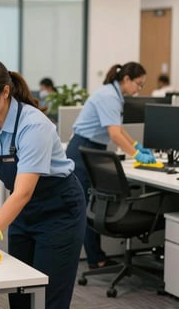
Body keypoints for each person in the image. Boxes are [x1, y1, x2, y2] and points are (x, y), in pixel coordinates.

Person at [0, 58, 86, 309]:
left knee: (48, 296)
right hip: (23, 212)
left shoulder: (34, 126)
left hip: (58, 211)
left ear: (4, 92)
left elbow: (23, 192)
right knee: (20, 291)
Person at [66, 62, 156, 270]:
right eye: (139, 84)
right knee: (89, 205)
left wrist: (134, 146)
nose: (139, 89)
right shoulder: (109, 97)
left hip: (90, 148)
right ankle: (96, 259)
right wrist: (137, 156)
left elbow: (118, 129)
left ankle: (97, 257)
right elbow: (114, 134)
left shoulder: (112, 94)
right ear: (126, 80)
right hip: (84, 149)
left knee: (93, 203)